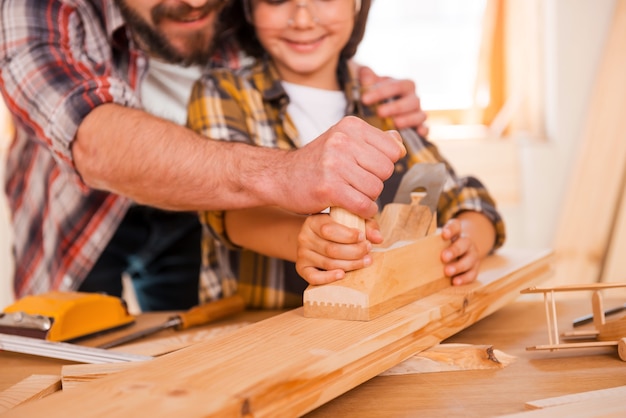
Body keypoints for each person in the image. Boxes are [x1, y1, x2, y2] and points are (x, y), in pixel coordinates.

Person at [0, 0, 426, 311]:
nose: (198, 3)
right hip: (75, 214)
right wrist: (284, 172)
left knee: (185, 357)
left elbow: (301, 41)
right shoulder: (32, 9)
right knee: (70, 361)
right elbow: (92, 138)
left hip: (210, 207)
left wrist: (360, 87)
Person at [187, 0, 506, 308]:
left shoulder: (381, 100)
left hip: (379, 328)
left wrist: (468, 241)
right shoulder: (222, 92)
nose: (302, 19)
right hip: (258, 331)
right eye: (276, 0)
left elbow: (466, 198)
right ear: (248, 7)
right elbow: (227, 213)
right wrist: (307, 240)